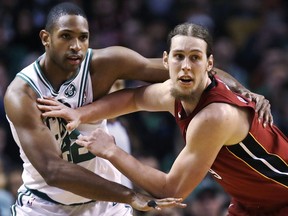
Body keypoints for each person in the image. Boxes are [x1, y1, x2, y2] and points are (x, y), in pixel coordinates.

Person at [38, 22, 288, 216]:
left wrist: (112, 151)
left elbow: (172, 191)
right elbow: (133, 99)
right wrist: (78, 113)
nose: (186, 66)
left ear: (209, 64)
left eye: (195, 57)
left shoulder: (215, 115)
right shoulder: (174, 92)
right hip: (252, 202)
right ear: (166, 60)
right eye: (179, 56)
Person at [3, 3, 187, 215]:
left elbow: (182, 73)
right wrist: (129, 195)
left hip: (106, 204)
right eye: (66, 36)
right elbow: (52, 170)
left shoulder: (103, 65)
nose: (76, 46)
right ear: (46, 38)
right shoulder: (22, 94)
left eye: (83, 37)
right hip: (46, 205)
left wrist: (227, 88)